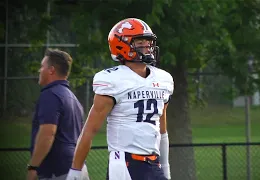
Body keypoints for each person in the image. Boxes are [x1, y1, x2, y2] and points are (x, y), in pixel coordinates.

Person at [66, 18, 174, 180]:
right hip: (125, 164)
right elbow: (89, 130)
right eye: (140, 42)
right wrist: (75, 170)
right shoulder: (113, 80)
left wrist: (165, 167)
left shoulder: (163, 79)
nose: (147, 46)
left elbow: (162, 130)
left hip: (152, 163)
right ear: (122, 45)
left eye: (148, 42)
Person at [27, 49, 90, 180]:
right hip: (78, 168)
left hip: (57, 171)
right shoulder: (73, 98)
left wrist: (33, 167)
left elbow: (48, 133)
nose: (39, 70)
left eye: (42, 66)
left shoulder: (50, 95)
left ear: (51, 70)